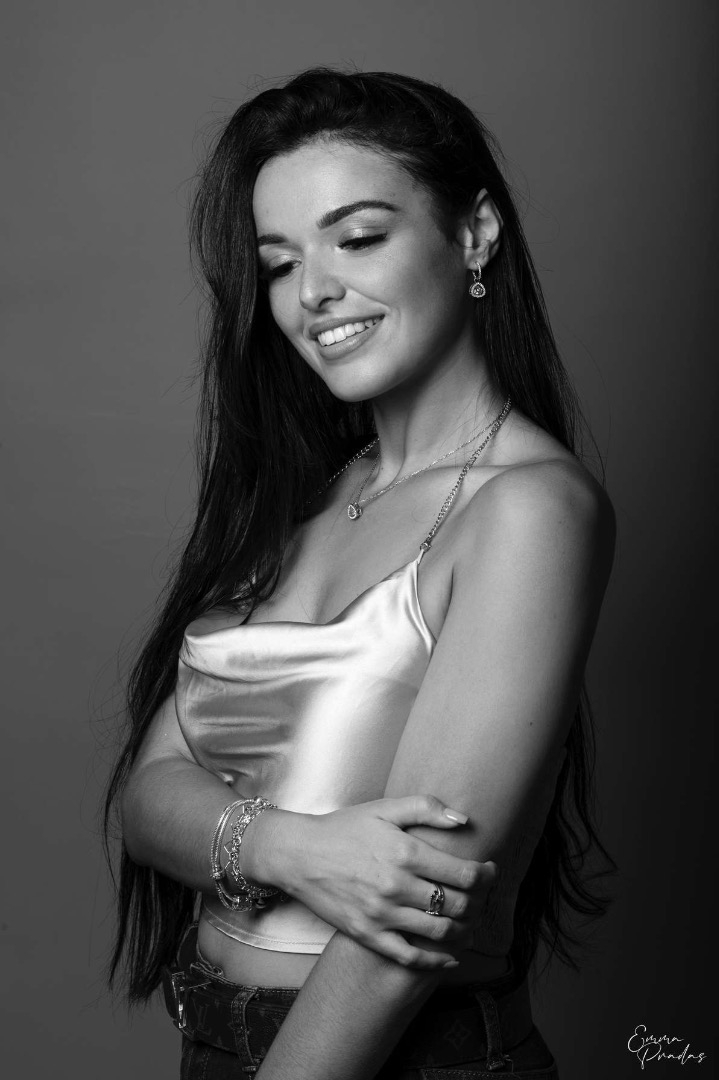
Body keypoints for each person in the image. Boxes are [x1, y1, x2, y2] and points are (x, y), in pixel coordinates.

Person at [104, 68, 616, 1079]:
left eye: (359, 237)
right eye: (280, 262)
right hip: (215, 1046)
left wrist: (232, 833)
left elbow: (410, 918)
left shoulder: (528, 510)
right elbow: (148, 795)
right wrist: (294, 847)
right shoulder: (309, 496)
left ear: (473, 235)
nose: (313, 293)